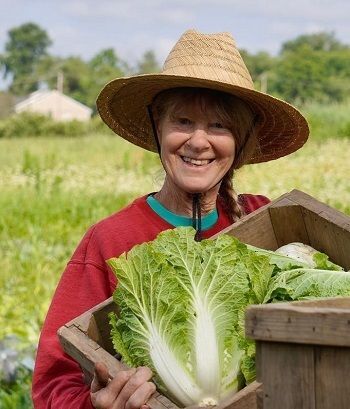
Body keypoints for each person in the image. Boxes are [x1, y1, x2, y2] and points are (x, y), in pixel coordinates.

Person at [32, 29, 309, 409]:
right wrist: (95, 405)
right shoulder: (111, 240)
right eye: (182, 121)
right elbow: (53, 387)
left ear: (241, 142)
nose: (198, 142)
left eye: (219, 126)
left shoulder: (271, 222)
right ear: (156, 129)